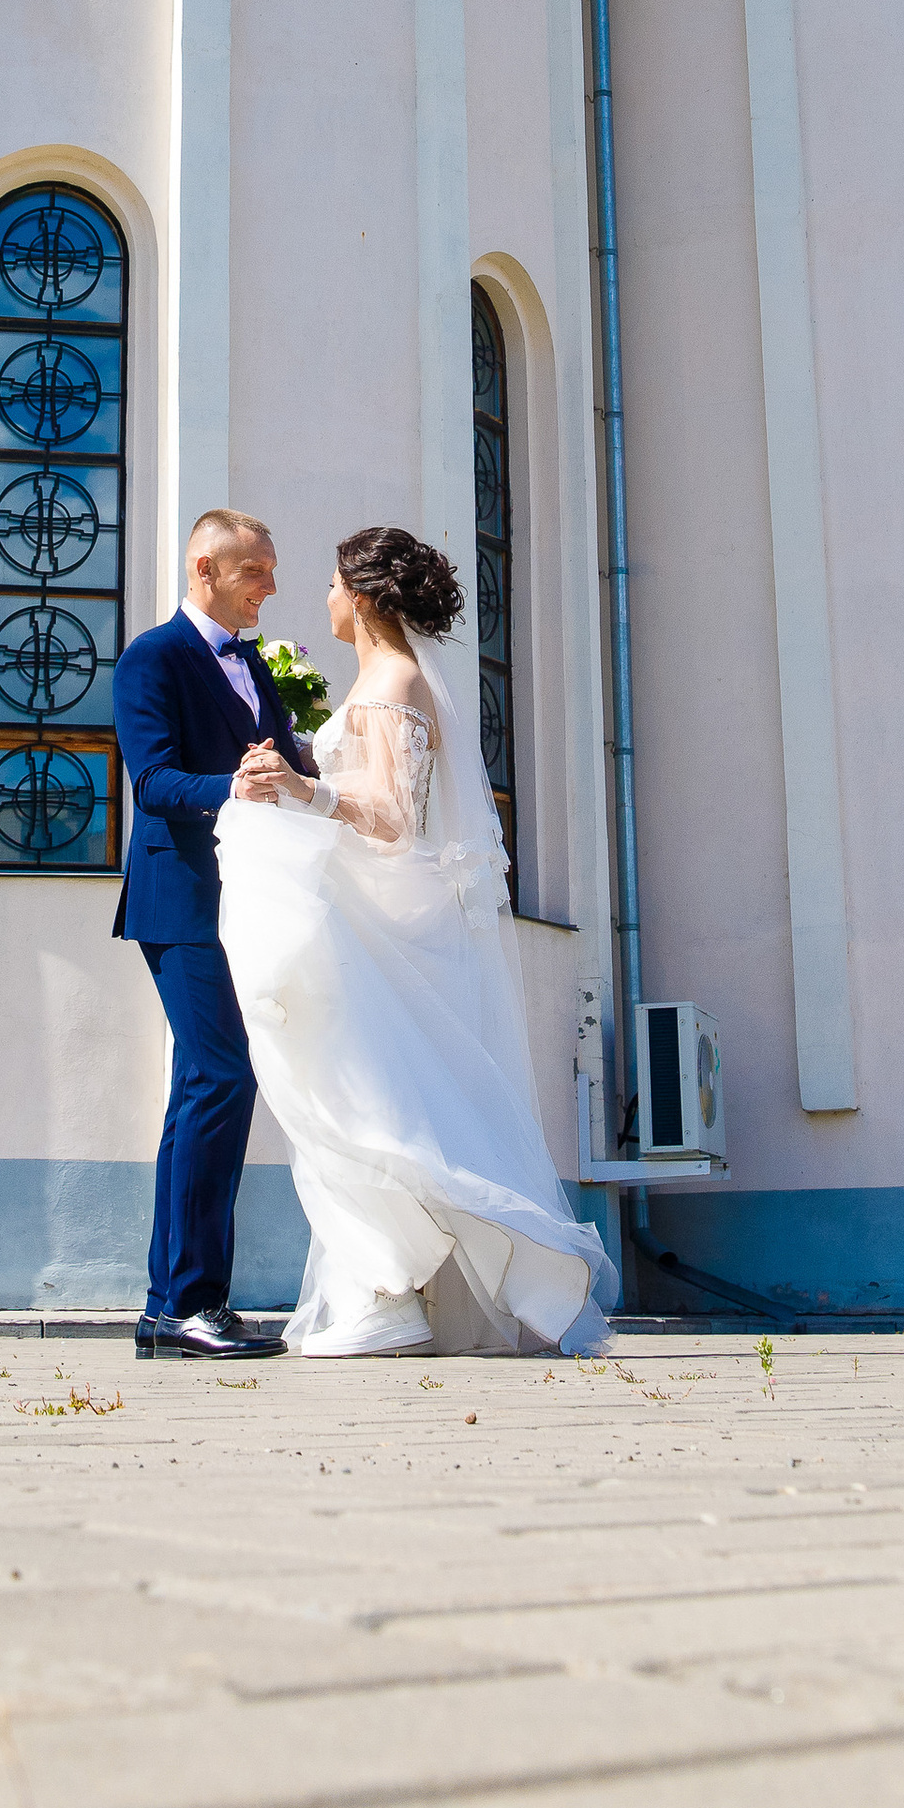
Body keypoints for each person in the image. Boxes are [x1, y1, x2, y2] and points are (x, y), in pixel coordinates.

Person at [223, 525, 616, 1358]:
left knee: (364, 1101)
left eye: (334, 584)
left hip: (385, 925)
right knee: (369, 1099)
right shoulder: (386, 679)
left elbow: (395, 819)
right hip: (387, 916)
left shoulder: (391, 682)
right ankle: (386, 1288)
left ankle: (389, 1293)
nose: (325, 597)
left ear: (365, 596)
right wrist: (302, 760)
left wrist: (299, 786)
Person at [112, 508, 316, 1359]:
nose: (270, 585)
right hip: (183, 899)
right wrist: (234, 786)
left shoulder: (254, 663)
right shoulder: (151, 658)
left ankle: (171, 1309)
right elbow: (153, 783)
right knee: (223, 1075)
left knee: (205, 1083)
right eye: (254, 570)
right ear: (206, 568)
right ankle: (194, 1304)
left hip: (247, 898)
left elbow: (287, 761)